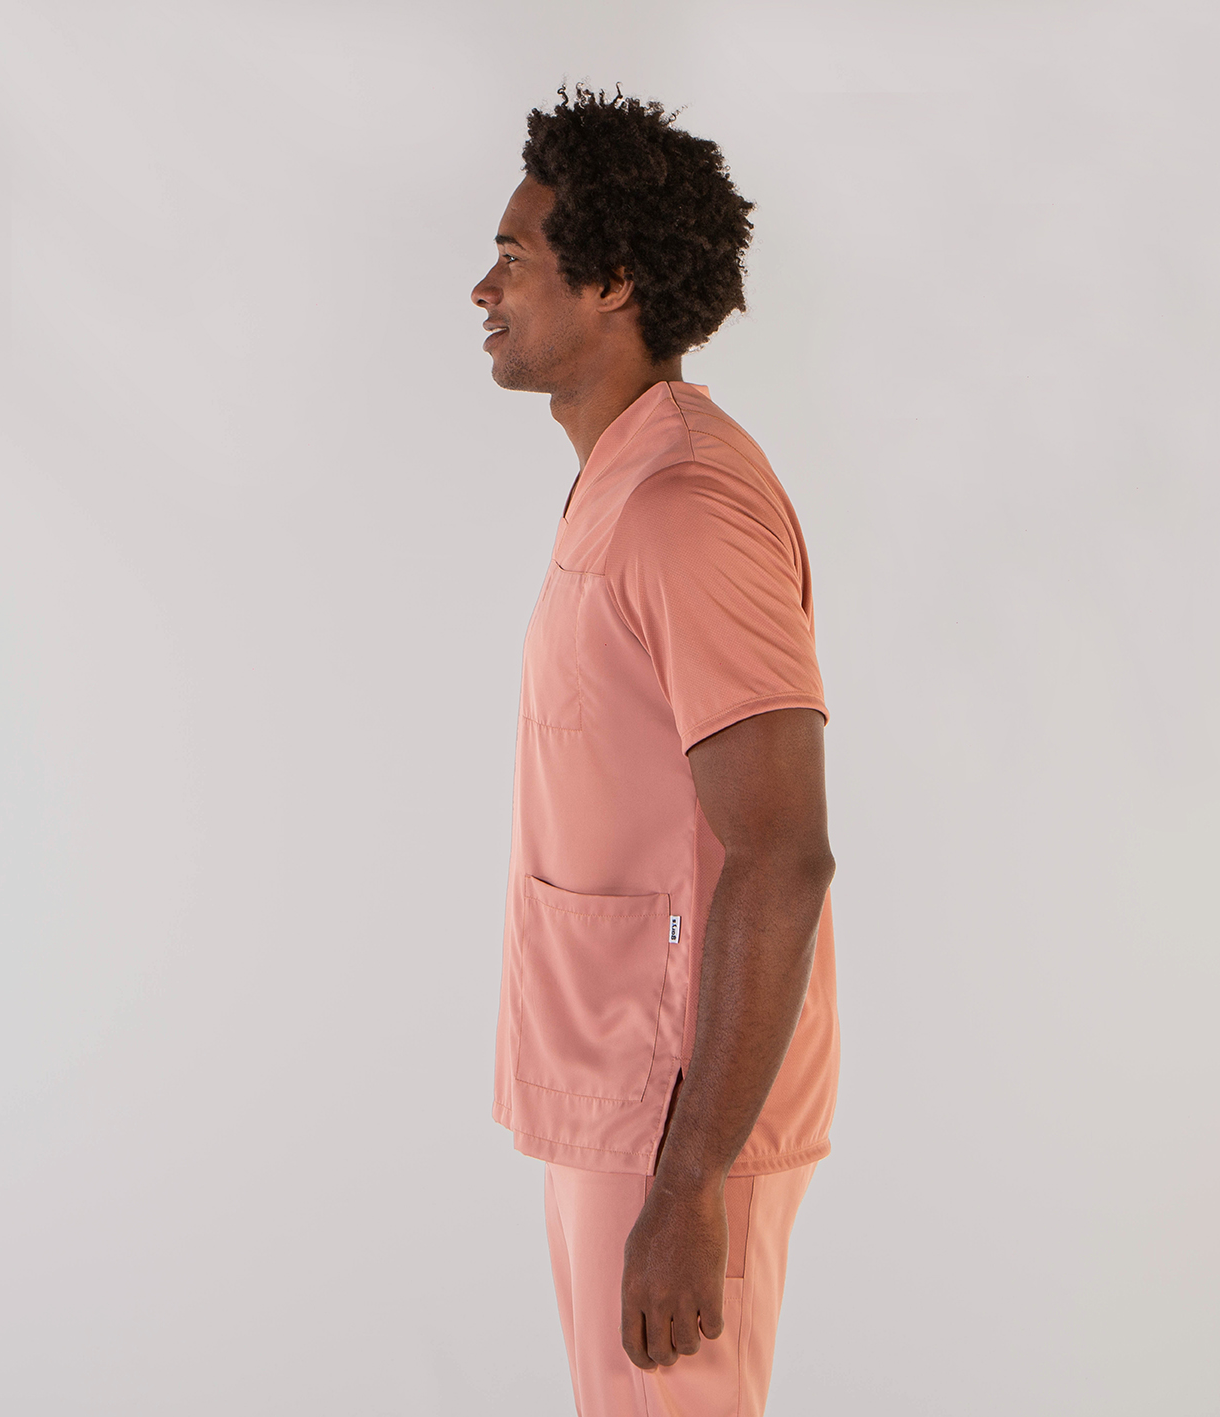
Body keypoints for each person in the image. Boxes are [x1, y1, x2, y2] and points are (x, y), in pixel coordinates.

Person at [471, 84, 840, 1417]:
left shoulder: (684, 504)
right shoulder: (617, 481)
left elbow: (783, 852)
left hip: (675, 1116)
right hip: (619, 1090)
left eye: (513, 257)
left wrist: (688, 1185)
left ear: (613, 282)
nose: (482, 289)